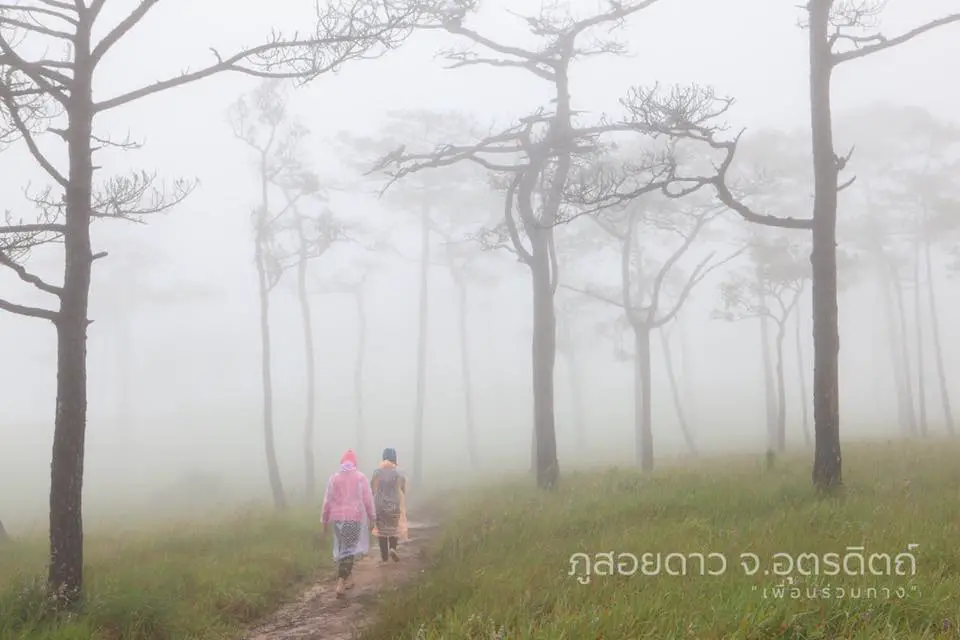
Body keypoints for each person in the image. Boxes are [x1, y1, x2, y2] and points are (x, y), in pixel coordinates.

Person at [321, 449, 375, 598]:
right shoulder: (360, 478)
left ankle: (348, 579)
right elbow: (367, 499)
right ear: (354, 463)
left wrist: (324, 521)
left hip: (338, 519)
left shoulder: (334, 479)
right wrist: (372, 517)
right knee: (349, 550)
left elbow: (327, 502)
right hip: (354, 518)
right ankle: (341, 582)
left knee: (344, 548)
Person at [370, 447, 408, 564]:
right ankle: (393, 548)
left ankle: (385, 559)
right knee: (393, 529)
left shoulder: (377, 472)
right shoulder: (398, 472)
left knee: (381, 532)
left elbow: (372, 488)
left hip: (380, 504)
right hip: (394, 504)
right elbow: (403, 488)